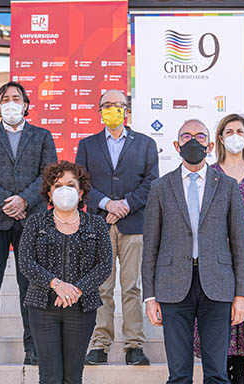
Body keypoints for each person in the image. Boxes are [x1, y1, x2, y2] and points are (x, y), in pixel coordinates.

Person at [143, 119, 244, 384]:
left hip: (217, 288)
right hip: (173, 288)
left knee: (217, 374)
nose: (193, 142)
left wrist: (241, 294)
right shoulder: (161, 187)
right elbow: (151, 245)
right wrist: (150, 295)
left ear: (210, 145)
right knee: (178, 375)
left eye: (200, 137)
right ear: (176, 145)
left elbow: (239, 242)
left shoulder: (228, 186)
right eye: (186, 136)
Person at [18, 161, 112, 384]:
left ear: (82, 191)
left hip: (81, 309)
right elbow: (25, 261)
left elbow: (104, 266)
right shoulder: (35, 222)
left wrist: (76, 289)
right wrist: (56, 284)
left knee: (72, 377)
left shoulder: (96, 225)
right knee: (50, 378)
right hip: (42, 307)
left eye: (71, 185)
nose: (65, 191)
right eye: (58, 185)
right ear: (49, 191)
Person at [0, 81, 58, 366]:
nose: (11, 103)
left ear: (26, 104)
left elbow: (49, 174)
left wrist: (24, 199)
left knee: (32, 285)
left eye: (16, 98)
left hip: (31, 220)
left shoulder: (42, 136)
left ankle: (33, 347)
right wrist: (5, 201)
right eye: (5, 99)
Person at [76, 89, 159, 366]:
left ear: (127, 110)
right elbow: (80, 183)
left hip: (134, 224)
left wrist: (124, 204)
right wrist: (105, 204)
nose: (113, 109)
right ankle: (99, 344)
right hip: (99, 225)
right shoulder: (87, 145)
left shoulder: (146, 144)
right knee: (101, 287)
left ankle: (134, 345)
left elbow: (151, 182)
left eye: (118, 105)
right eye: (107, 105)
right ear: (99, 110)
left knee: (132, 287)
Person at [192, 113, 244, 384]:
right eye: (229, 131)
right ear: (220, 138)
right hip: (217, 252)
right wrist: (223, 233)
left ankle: (240, 373)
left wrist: (239, 229)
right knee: (219, 308)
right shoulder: (210, 174)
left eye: (240, 130)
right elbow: (204, 212)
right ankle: (222, 371)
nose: (235, 135)